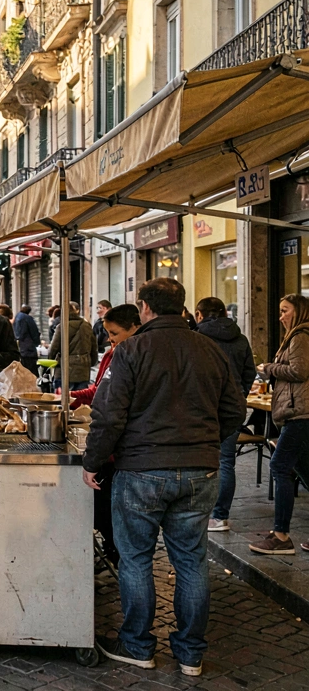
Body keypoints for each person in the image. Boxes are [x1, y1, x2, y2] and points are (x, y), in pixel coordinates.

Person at [83, 278, 243, 676]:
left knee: (136, 559)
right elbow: (235, 411)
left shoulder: (131, 350)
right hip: (200, 469)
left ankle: (138, 644)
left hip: (142, 470)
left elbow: (108, 414)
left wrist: (92, 461)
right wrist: (205, 442)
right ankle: (191, 654)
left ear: (144, 309)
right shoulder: (210, 349)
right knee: (191, 561)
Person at [70, 303, 142, 567]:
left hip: (121, 449)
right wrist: (70, 398)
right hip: (114, 446)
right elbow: (98, 390)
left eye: (114, 334)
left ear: (135, 327)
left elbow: (110, 409)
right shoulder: (112, 354)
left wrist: (93, 459)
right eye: (108, 334)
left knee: (108, 511)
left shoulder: (132, 356)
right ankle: (113, 551)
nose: (110, 340)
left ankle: (117, 555)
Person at [251, 294, 309, 555]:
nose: (280, 316)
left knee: (279, 465)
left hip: (300, 413)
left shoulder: (301, 336)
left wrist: (270, 368)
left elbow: (299, 371)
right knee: (303, 469)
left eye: (285, 310)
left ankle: (281, 535)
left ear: (299, 312)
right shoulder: (296, 336)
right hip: (297, 411)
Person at [194, 297, 257, 534]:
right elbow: (249, 372)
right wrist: (239, 395)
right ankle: (220, 516)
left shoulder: (197, 337)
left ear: (199, 315)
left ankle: (200, 513)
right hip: (233, 406)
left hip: (203, 404)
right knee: (226, 461)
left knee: (199, 459)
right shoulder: (240, 338)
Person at [48, 302, 98, 392]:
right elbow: (94, 348)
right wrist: (91, 362)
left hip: (64, 370)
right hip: (83, 370)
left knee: (61, 401)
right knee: (79, 400)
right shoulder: (87, 326)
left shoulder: (62, 326)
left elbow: (53, 349)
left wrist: (50, 360)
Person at [14, 304, 41, 373]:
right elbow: (34, 331)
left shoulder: (17, 317)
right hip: (28, 349)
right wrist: (37, 342)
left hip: (21, 348)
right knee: (31, 371)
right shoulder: (27, 318)